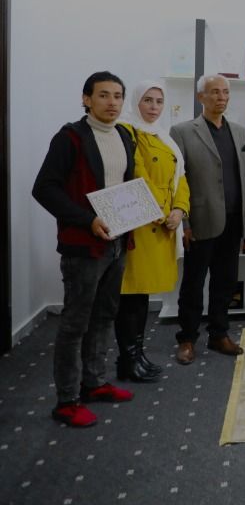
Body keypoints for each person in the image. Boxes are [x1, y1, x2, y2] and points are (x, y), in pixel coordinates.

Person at [33, 71, 137, 427]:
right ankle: (66, 400)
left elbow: (124, 185)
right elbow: (45, 189)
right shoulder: (70, 138)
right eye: (104, 95)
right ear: (86, 99)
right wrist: (87, 219)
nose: (112, 102)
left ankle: (94, 382)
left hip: (117, 242)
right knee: (75, 322)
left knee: (105, 315)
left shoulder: (124, 135)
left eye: (118, 96)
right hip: (84, 246)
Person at [170, 75, 245, 363]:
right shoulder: (182, 131)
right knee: (193, 282)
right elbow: (177, 180)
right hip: (200, 220)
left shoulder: (241, 132)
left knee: (225, 282)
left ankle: (219, 334)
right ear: (201, 97)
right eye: (214, 92)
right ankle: (187, 338)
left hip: (234, 220)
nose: (221, 97)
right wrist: (185, 223)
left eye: (225, 92)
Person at [114, 81, 190, 382]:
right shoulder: (128, 132)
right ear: (136, 102)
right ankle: (127, 359)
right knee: (130, 295)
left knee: (142, 295)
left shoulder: (163, 136)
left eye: (159, 101)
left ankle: (137, 355)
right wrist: (160, 210)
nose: (154, 106)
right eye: (147, 100)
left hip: (164, 225)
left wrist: (179, 209)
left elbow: (180, 178)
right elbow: (137, 176)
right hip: (141, 226)